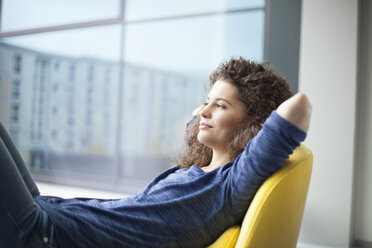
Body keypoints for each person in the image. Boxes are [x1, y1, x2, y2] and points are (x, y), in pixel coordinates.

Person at [0, 57, 312, 248]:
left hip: (44, 235)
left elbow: (298, 107)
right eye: (206, 101)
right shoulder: (198, 169)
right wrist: (216, 104)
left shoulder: (230, 185)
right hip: (48, 210)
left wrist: (261, 118)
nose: (203, 112)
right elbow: (198, 115)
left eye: (220, 106)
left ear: (255, 124)